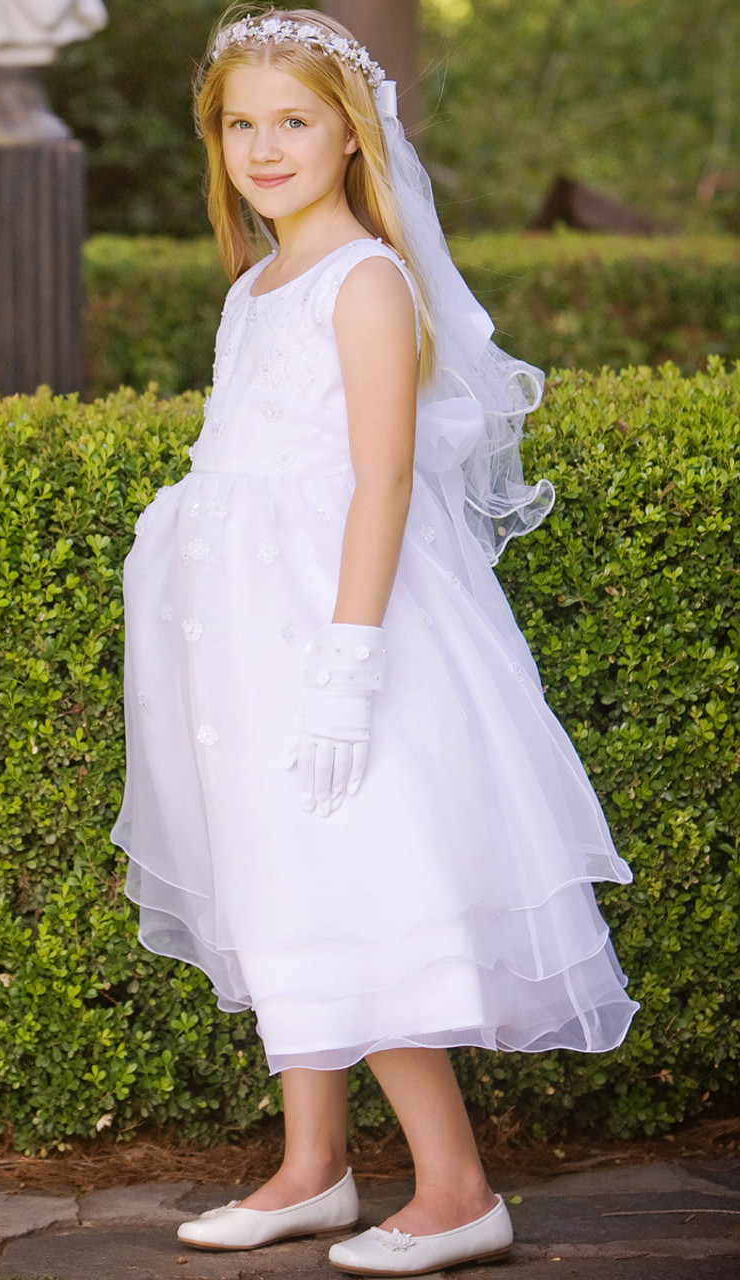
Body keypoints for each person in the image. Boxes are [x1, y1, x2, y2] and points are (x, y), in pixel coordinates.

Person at [110, 7, 639, 1274]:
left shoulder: (364, 279)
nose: (265, 145)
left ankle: (457, 1186)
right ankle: (313, 1166)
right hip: (240, 634)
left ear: (351, 136)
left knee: (360, 879)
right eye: (242, 124)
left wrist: (348, 663)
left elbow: (383, 481)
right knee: (280, 875)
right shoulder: (257, 287)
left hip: (336, 630)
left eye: (292, 121)